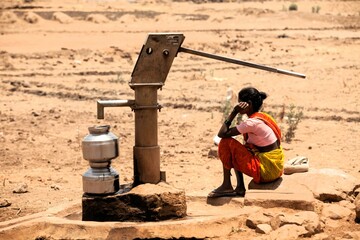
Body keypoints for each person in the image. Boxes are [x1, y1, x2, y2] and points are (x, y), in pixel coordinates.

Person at [208, 87, 284, 198]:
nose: (238, 106)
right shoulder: (263, 117)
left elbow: (222, 133)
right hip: (276, 167)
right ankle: (239, 187)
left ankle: (227, 185)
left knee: (226, 142)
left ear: (248, 104)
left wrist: (234, 112)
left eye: (239, 103)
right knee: (242, 147)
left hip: (267, 171)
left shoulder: (251, 123)